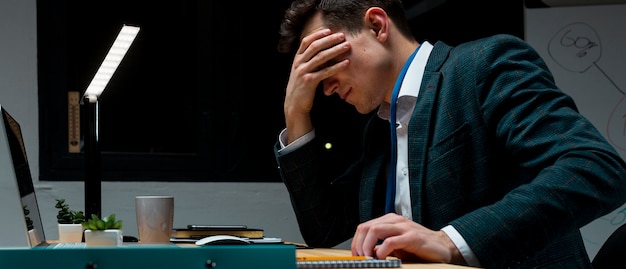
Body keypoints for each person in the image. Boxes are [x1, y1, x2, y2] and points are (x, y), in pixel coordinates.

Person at [272, 0, 626, 268]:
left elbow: (594, 168)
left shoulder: (482, 65)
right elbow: (325, 227)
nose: (324, 87)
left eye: (323, 60)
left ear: (377, 25)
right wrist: (296, 112)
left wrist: (451, 241)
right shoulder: (380, 131)